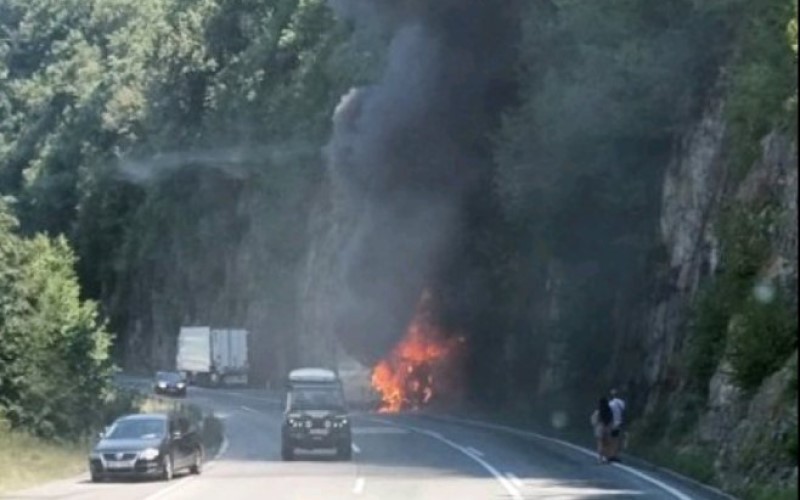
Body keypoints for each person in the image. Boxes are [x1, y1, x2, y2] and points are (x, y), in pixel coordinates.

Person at [590, 397, 613, 463]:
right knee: (607, 444)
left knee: (600, 444)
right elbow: (611, 421)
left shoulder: (598, 411)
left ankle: (600, 459)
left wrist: (595, 425)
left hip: (600, 428)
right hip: (607, 428)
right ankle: (606, 458)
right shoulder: (609, 411)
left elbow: (594, 420)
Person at [608, 388, 626, 462]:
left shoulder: (610, 404)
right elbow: (623, 412)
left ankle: (609, 455)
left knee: (611, 439)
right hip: (618, 423)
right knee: (616, 440)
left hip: (611, 423)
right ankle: (615, 455)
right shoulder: (622, 402)